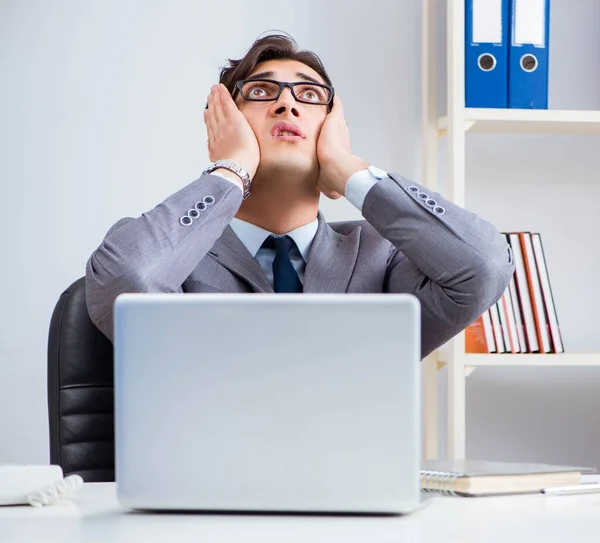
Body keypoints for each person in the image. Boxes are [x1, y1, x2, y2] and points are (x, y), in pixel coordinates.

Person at [85, 32, 515, 358]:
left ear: (333, 126)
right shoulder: (174, 250)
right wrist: (230, 170)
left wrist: (351, 172)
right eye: (261, 91)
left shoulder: (381, 255)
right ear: (223, 123)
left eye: (309, 95)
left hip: (348, 476)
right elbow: (128, 282)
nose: (286, 105)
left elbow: (483, 267)